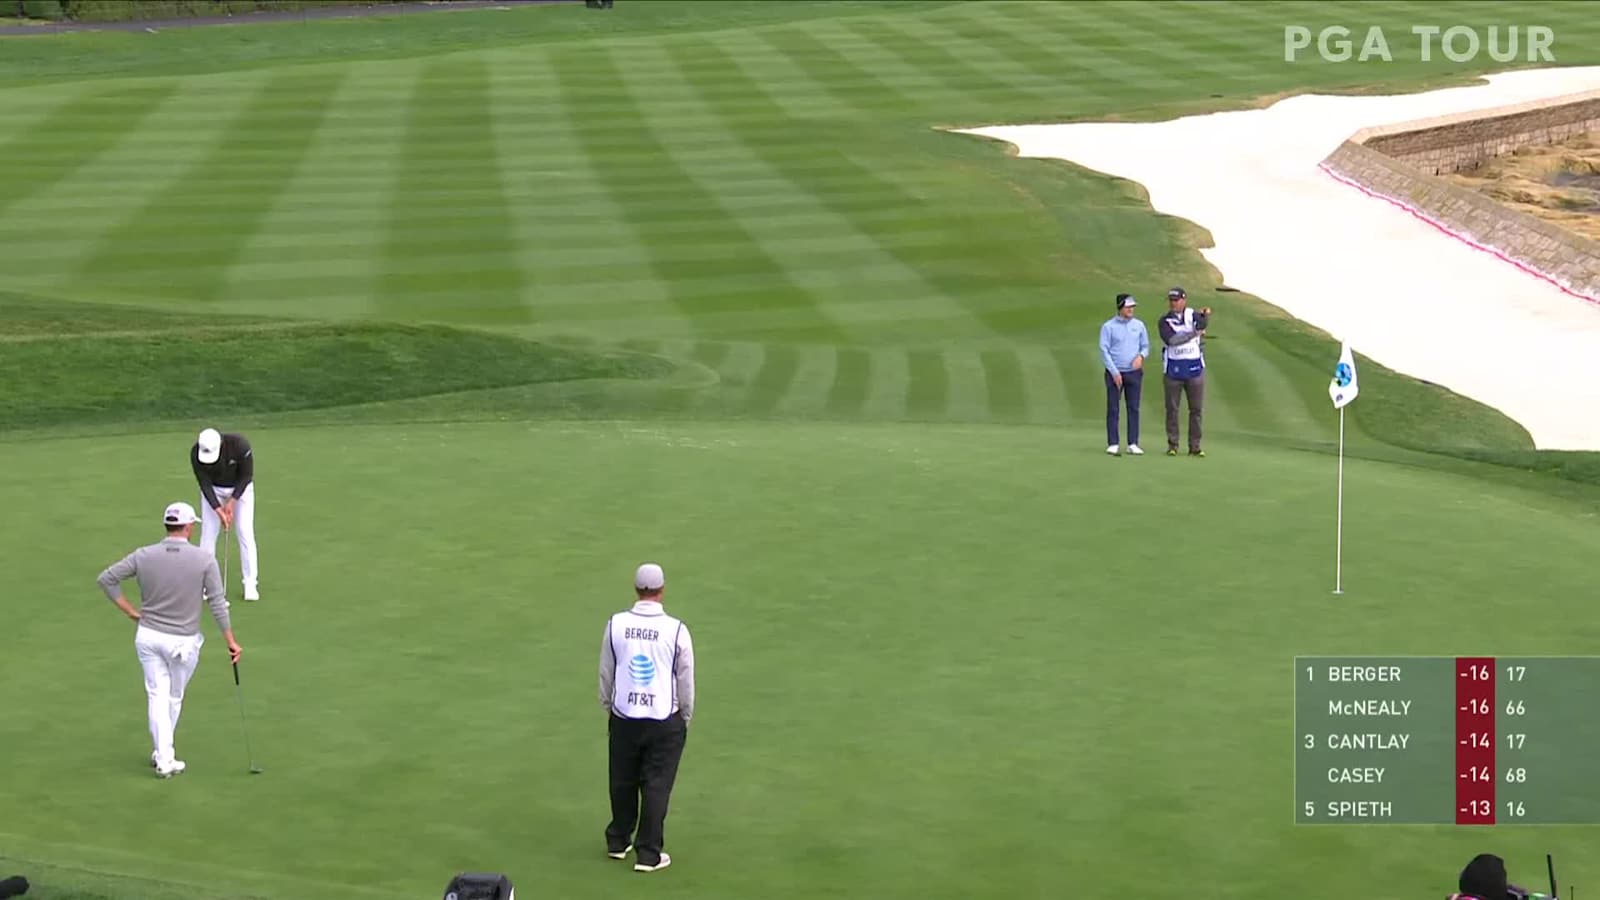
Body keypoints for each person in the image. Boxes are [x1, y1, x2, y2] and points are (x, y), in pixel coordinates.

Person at [96, 502, 242, 778]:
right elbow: (217, 603)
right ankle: (165, 758)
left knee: (156, 696)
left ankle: (163, 752)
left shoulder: (144, 555)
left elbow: (107, 579)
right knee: (173, 697)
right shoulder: (203, 560)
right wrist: (230, 641)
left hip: (148, 636)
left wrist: (130, 612)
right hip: (182, 643)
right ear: (188, 528)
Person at [599, 563, 695, 873]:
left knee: (622, 778)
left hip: (624, 713)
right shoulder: (676, 629)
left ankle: (618, 840)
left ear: (636, 589)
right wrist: (686, 714)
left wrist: (608, 704)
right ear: (662, 590)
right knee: (657, 784)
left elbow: (606, 670)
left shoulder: (616, 624)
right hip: (664, 716)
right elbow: (685, 677)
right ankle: (649, 853)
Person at [191, 428, 260, 601]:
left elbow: (246, 476)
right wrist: (218, 509)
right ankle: (207, 584)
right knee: (208, 534)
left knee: (245, 532)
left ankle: (250, 583)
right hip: (214, 490)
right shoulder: (196, 454)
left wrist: (232, 501)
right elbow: (204, 484)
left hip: (241, 490)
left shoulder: (240, 445)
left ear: (221, 444)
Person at [1159, 287, 1210, 457]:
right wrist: (1194, 333)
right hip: (1173, 369)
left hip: (1195, 368)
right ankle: (1173, 445)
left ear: (1184, 300)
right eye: (1171, 300)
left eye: (1176, 300)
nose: (1173, 303)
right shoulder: (1164, 321)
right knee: (1172, 409)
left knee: (1196, 409)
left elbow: (1202, 324)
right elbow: (1172, 340)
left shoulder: (1191, 314)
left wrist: (1204, 316)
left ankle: (1194, 446)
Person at [1098, 293, 1150, 456]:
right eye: (1128, 307)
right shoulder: (1108, 327)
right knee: (1113, 408)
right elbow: (1104, 350)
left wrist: (1141, 356)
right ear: (1120, 307)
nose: (1131, 310)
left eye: (1132, 307)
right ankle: (1113, 443)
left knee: (1133, 408)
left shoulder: (1139, 325)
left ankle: (1132, 443)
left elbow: (1145, 346)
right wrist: (1114, 372)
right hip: (1114, 373)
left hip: (1134, 373)